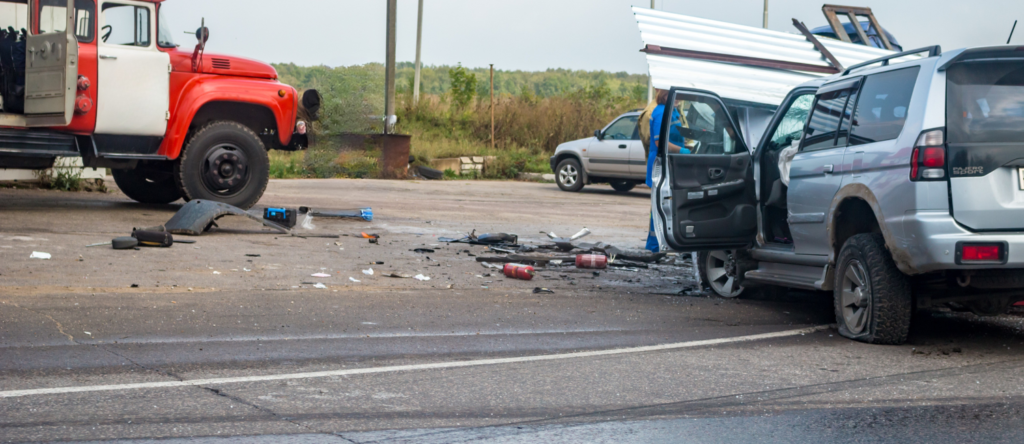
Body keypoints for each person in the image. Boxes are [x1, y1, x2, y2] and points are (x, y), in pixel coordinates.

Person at [645, 89, 691, 252]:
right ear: (665, 95)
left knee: (667, 204)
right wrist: (682, 151)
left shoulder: (672, 112)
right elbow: (660, 142)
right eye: (675, 96)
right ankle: (654, 246)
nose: (679, 99)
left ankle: (664, 243)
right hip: (661, 162)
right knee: (659, 205)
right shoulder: (660, 112)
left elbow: (675, 136)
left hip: (671, 162)